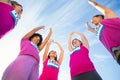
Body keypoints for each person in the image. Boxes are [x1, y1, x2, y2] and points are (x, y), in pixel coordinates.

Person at [85, 0, 120, 65]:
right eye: (91, 22)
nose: (92, 22)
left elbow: (96, 5)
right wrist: (87, 25)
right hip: (116, 53)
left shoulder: (108, 17)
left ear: (100, 17)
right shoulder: (97, 31)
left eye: (93, 19)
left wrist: (90, 2)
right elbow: (90, 29)